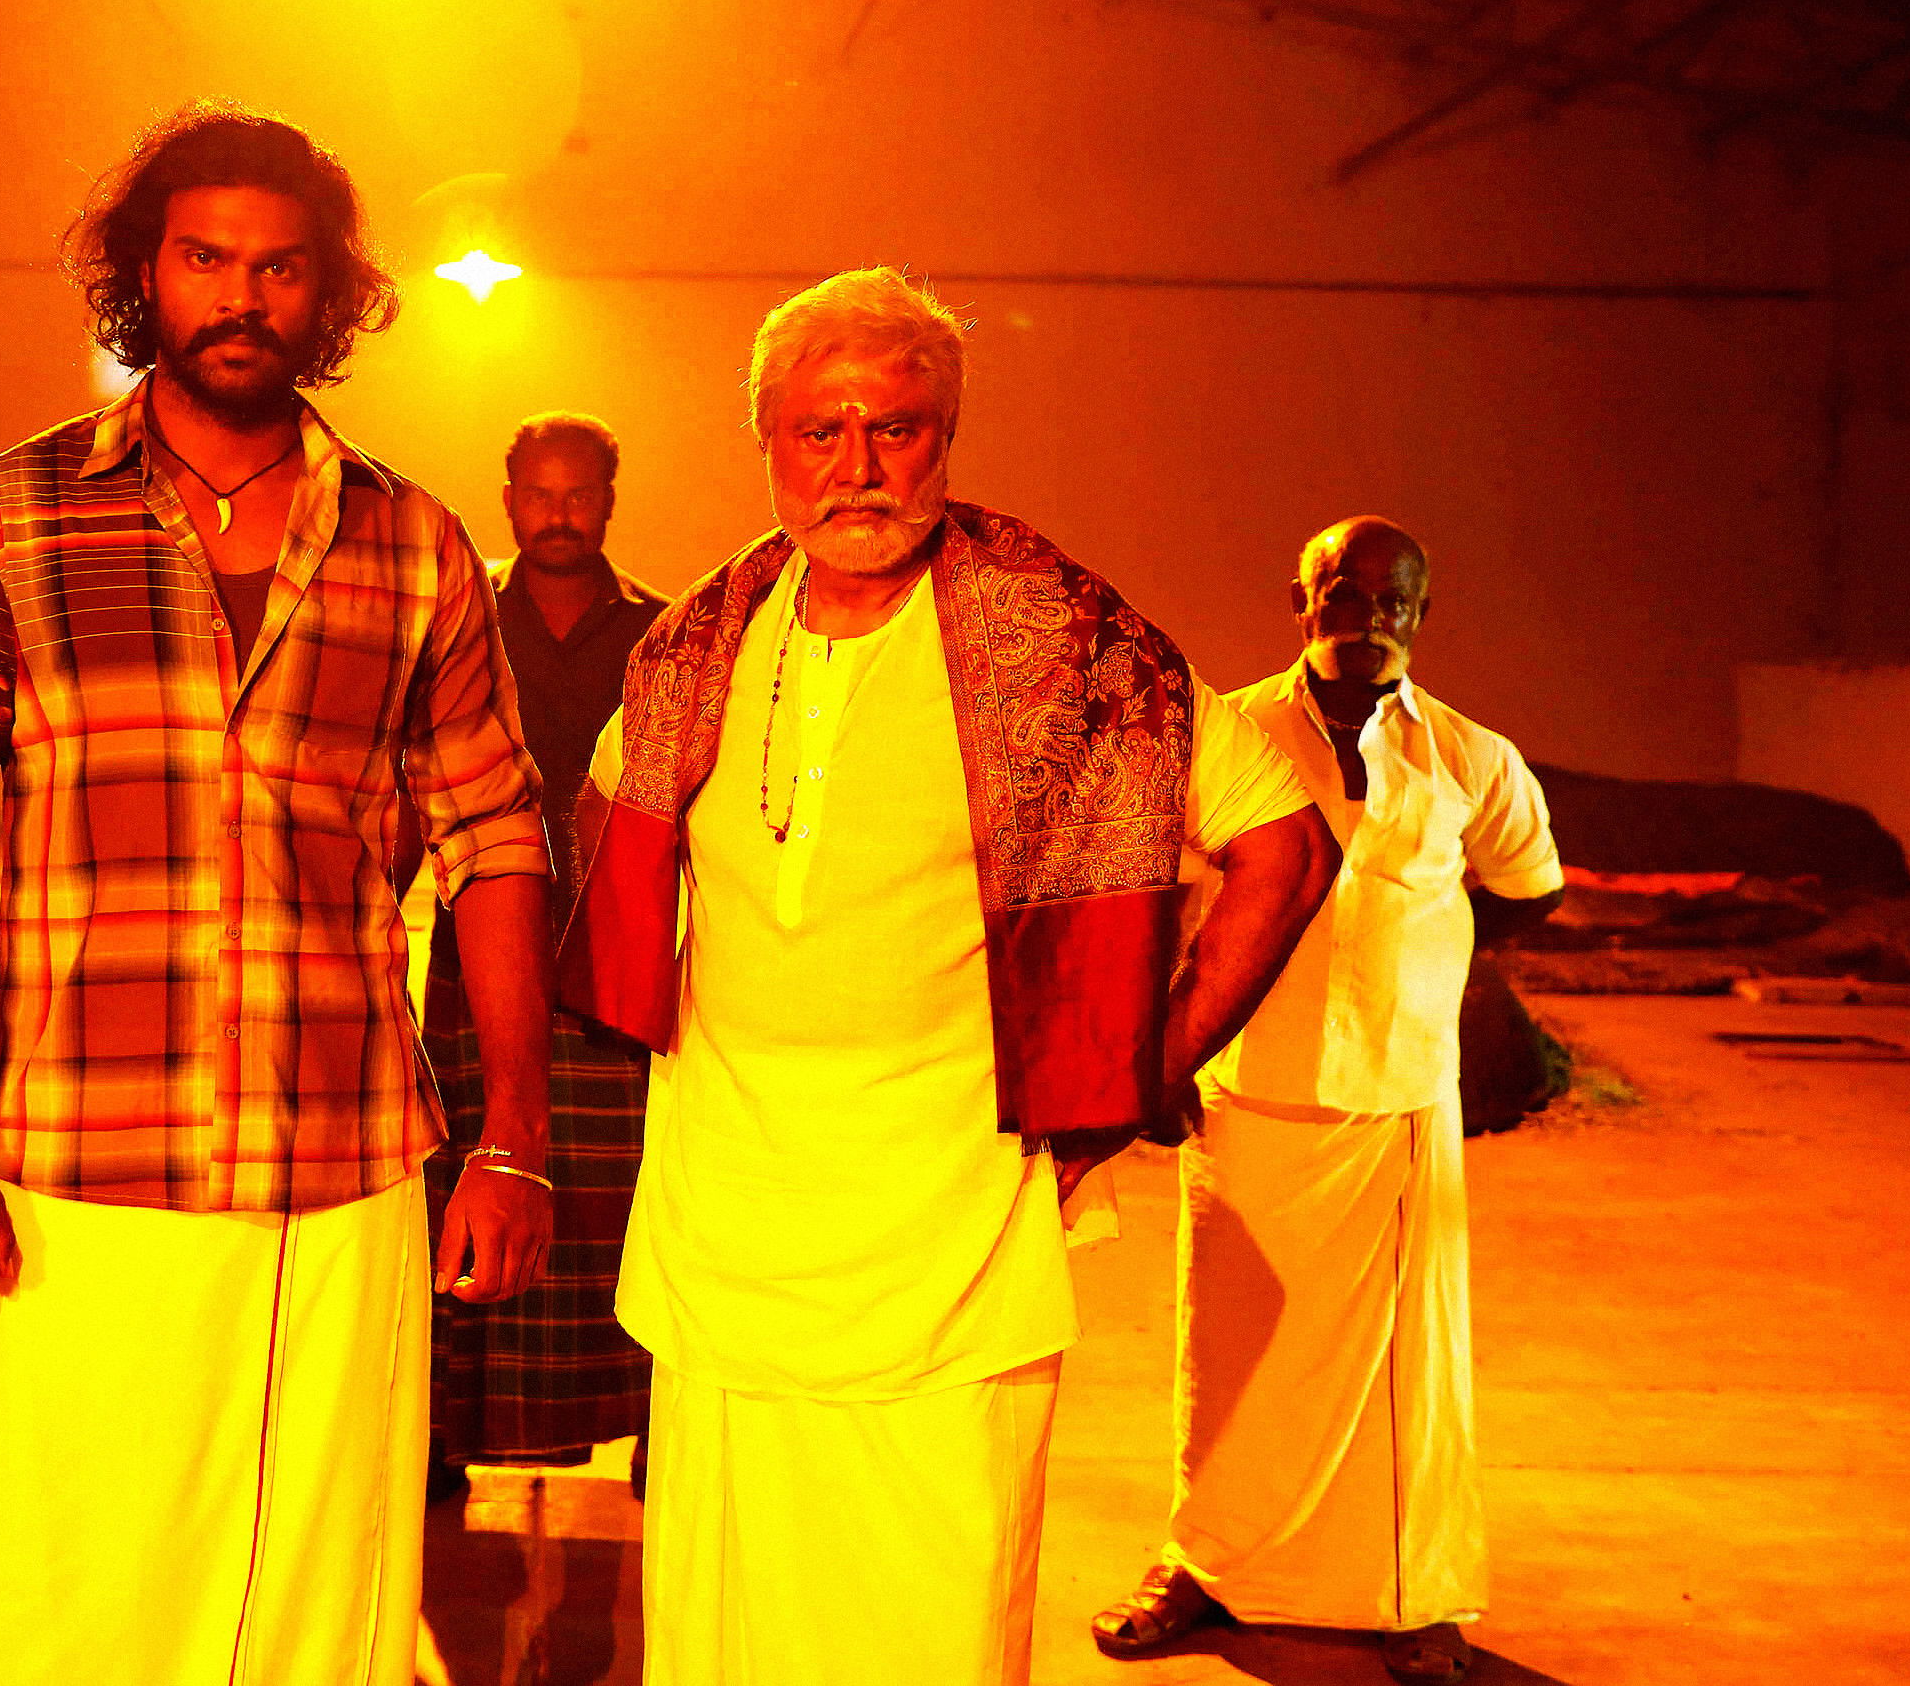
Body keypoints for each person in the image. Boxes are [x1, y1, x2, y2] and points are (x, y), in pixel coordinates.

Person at [0, 102, 555, 1686]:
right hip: (72, 1166)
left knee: (321, 1591)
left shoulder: (413, 543)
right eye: (206, 259)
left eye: (280, 268)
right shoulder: (9, 517)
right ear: (142, 274)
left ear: (331, 292)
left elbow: (498, 835)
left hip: (341, 1161)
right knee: (69, 1583)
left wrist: (512, 1136)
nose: (242, 296)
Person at [558, 267, 1342, 1684]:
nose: (858, 465)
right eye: (820, 430)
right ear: (767, 443)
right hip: (727, 1241)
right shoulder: (695, 647)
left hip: (955, 1245)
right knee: (728, 1632)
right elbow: (615, 869)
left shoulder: (1060, 640)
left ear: (947, 437)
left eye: (897, 428)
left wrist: (1140, 1074)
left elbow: (1282, 848)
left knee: (930, 1631)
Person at [1090, 517, 1563, 1684]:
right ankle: (1202, 1563)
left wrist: (1429, 968)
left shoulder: (1470, 755)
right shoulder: (1228, 734)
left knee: (1409, 1375)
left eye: (1395, 600)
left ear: (1423, 613)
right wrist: (1159, 1057)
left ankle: (1416, 1598)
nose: (1370, 618)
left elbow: (1530, 887)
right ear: (1301, 599)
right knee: (1230, 1354)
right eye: (1346, 593)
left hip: (1396, 1101)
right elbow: (1152, 898)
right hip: (1248, 1090)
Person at [422, 413, 665, 1496]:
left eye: (579, 494)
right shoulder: (459, 621)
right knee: (464, 1180)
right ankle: (439, 1436)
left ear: (608, 499)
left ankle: (656, 1426)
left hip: (617, 960)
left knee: (628, 1199)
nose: (559, 514)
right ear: (509, 496)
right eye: (540, 493)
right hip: (476, 953)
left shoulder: (662, 636)